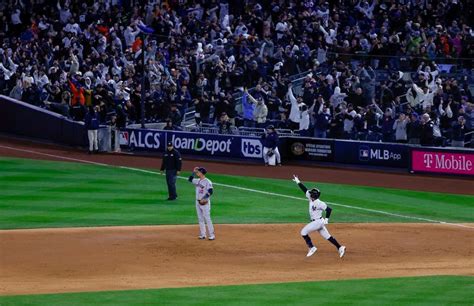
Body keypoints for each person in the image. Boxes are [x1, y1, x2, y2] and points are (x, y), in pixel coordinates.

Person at [292, 175, 346, 258]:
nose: (309, 194)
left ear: (314, 195)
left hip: (317, 222)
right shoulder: (311, 198)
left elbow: (329, 209)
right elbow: (304, 190)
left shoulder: (320, 203)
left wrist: (327, 219)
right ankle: (340, 247)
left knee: (303, 232)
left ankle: (312, 247)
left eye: (311, 193)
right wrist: (297, 181)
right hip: (318, 222)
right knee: (328, 236)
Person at [188, 167, 215, 240]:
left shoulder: (207, 181)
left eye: (198, 172)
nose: (197, 173)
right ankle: (203, 234)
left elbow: (211, 191)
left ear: (202, 173)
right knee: (200, 218)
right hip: (197, 202)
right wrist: (193, 172)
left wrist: (204, 198)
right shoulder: (198, 180)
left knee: (207, 218)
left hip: (205, 203)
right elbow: (190, 179)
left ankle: (212, 235)